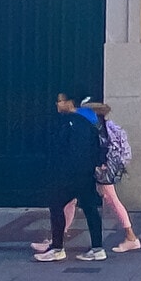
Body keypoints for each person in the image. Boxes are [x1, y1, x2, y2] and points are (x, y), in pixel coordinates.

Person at [34, 99, 141, 254]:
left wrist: (100, 163)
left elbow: (101, 147)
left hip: (100, 170)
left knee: (109, 200)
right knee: (70, 203)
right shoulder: (102, 125)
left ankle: (130, 237)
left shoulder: (98, 127)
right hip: (99, 168)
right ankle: (57, 239)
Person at [36, 92, 106, 263]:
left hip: (69, 175)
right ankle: (98, 247)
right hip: (86, 173)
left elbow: (60, 149)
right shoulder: (87, 122)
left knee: (56, 204)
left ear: (69, 102)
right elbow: (97, 146)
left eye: (60, 101)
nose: (57, 104)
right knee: (90, 209)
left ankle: (58, 248)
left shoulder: (67, 123)